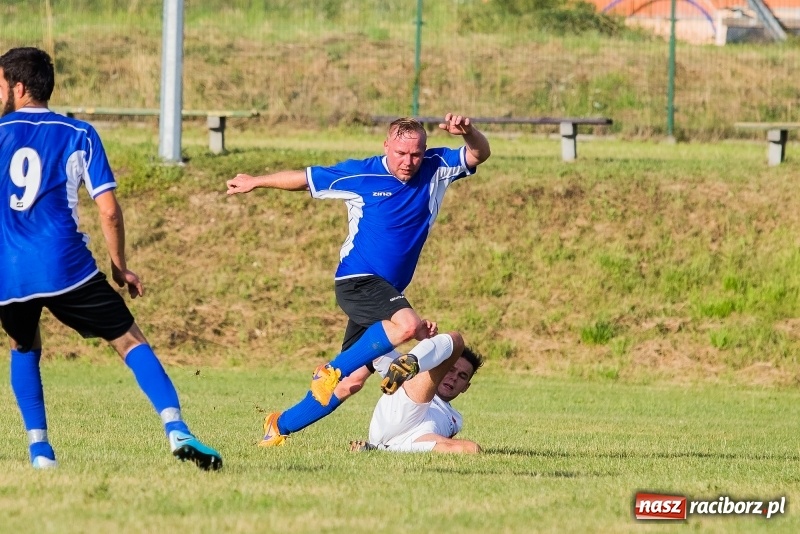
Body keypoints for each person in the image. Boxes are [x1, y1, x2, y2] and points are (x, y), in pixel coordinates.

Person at [0, 47, 222, 470]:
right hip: (66, 266)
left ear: (19, 87)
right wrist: (120, 266)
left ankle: (40, 452)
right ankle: (177, 429)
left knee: (22, 346)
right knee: (128, 340)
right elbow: (108, 209)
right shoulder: (79, 134)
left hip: (8, 272)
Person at [226, 114, 491, 446]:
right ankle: (329, 369)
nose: (409, 162)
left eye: (415, 154)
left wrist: (468, 132)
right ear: (386, 146)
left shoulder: (437, 166)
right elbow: (306, 178)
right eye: (400, 154)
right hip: (357, 280)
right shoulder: (361, 173)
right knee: (406, 326)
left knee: (350, 384)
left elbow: (479, 153)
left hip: (386, 292)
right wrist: (256, 181)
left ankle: (279, 427)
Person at [350, 331, 483, 453]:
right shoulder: (419, 377)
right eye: (451, 370)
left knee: (472, 449)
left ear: (466, 387)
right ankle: (415, 359)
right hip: (406, 406)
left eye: (462, 376)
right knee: (457, 341)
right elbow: (374, 343)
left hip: (415, 438)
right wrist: (414, 328)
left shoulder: (457, 420)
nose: (454, 378)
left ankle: (381, 449)